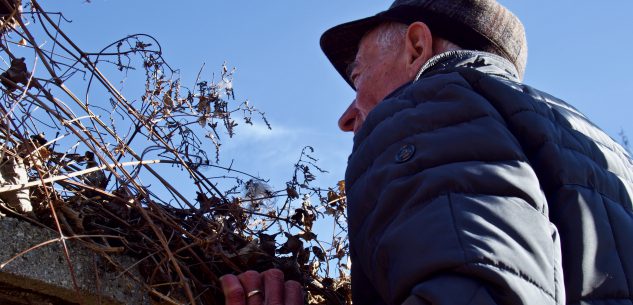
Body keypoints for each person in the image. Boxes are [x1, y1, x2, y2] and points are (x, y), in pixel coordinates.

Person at [222, 0, 633, 304]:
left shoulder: (426, 106)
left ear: (417, 47)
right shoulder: (607, 156)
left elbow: (478, 292)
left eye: (358, 74)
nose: (346, 118)